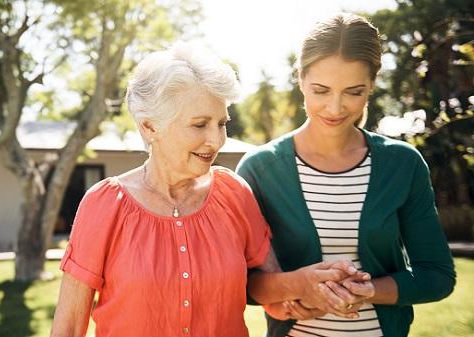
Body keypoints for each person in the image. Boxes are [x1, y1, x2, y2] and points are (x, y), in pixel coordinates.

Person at [50, 42, 367, 337]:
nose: (216, 140)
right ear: (149, 127)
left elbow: (271, 292)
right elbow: (67, 327)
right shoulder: (105, 204)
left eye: (221, 123)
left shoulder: (233, 193)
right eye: (200, 124)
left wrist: (311, 289)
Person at [237, 13, 456, 337]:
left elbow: (437, 275)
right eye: (321, 90)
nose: (335, 107)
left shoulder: (403, 165)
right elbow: (241, 283)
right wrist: (299, 286)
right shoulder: (259, 169)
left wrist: (366, 290)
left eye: (353, 91)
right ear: (301, 80)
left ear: (371, 85)